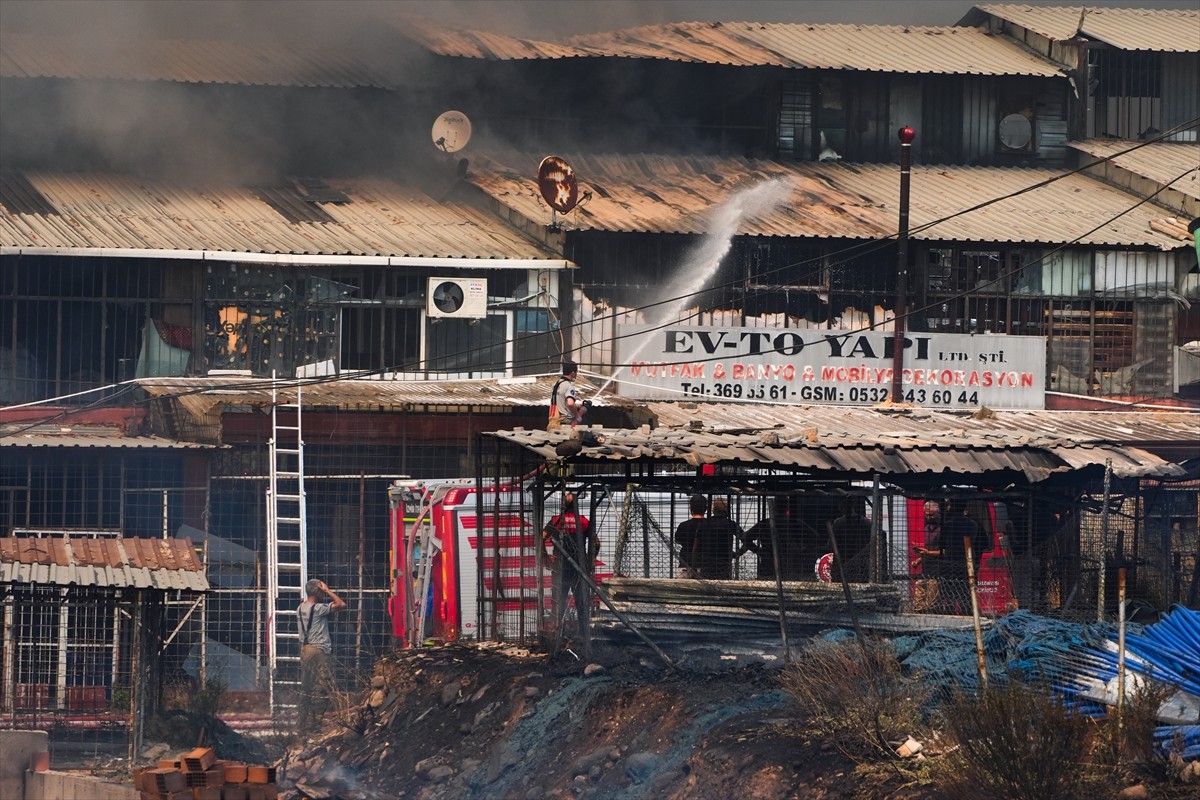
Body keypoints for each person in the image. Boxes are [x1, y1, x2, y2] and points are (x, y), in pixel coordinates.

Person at [543, 492, 599, 635]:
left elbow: (541, 538)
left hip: (560, 568)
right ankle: (583, 633)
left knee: (559, 601)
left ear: (563, 505)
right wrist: (589, 560)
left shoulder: (556, 520)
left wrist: (546, 558)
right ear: (576, 506)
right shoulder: (583, 521)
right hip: (578, 568)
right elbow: (596, 543)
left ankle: (557, 633)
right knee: (581, 601)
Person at [915, 499, 982, 614]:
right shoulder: (973, 524)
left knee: (949, 595)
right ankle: (968, 615)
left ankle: (951, 615)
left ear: (951, 508)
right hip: (968, 563)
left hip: (950, 564)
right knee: (966, 594)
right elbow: (976, 543)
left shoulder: (948, 525)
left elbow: (943, 545)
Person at [297, 578, 345, 732]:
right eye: (321, 591)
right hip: (319, 651)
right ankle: (315, 724)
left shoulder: (300, 608)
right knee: (321, 687)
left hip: (305, 650)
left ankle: (302, 723)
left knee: (306, 687)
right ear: (318, 591)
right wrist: (328, 591)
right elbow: (341, 604)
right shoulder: (318, 608)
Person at [696, 497, 743, 580]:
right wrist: (738, 553)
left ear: (713, 510)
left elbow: (696, 546)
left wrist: (695, 564)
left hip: (707, 566)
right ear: (726, 510)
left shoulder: (704, 523)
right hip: (724, 566)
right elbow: (746, 539)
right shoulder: (730, 524)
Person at [830, 497, 872, 583]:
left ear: (841, 506)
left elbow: (831, 545)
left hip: (842, 566)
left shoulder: (838, 523)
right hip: (861, 569)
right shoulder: (867, 523)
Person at [673, 494, 708, 578]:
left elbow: (677, 540)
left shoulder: (683, 525)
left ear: (691, 508)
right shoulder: (708, 525)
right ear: (705, 509)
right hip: (705, 565)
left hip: (685, 562)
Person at [548, 361, 586, 431]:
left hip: (554, 420)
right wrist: (578, 416)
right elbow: (570, 403)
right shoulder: (568, 386)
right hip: (565, 421)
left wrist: (581, 404)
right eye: (576, 372)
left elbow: (562, 402)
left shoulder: (555, 385)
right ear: (573, 373)